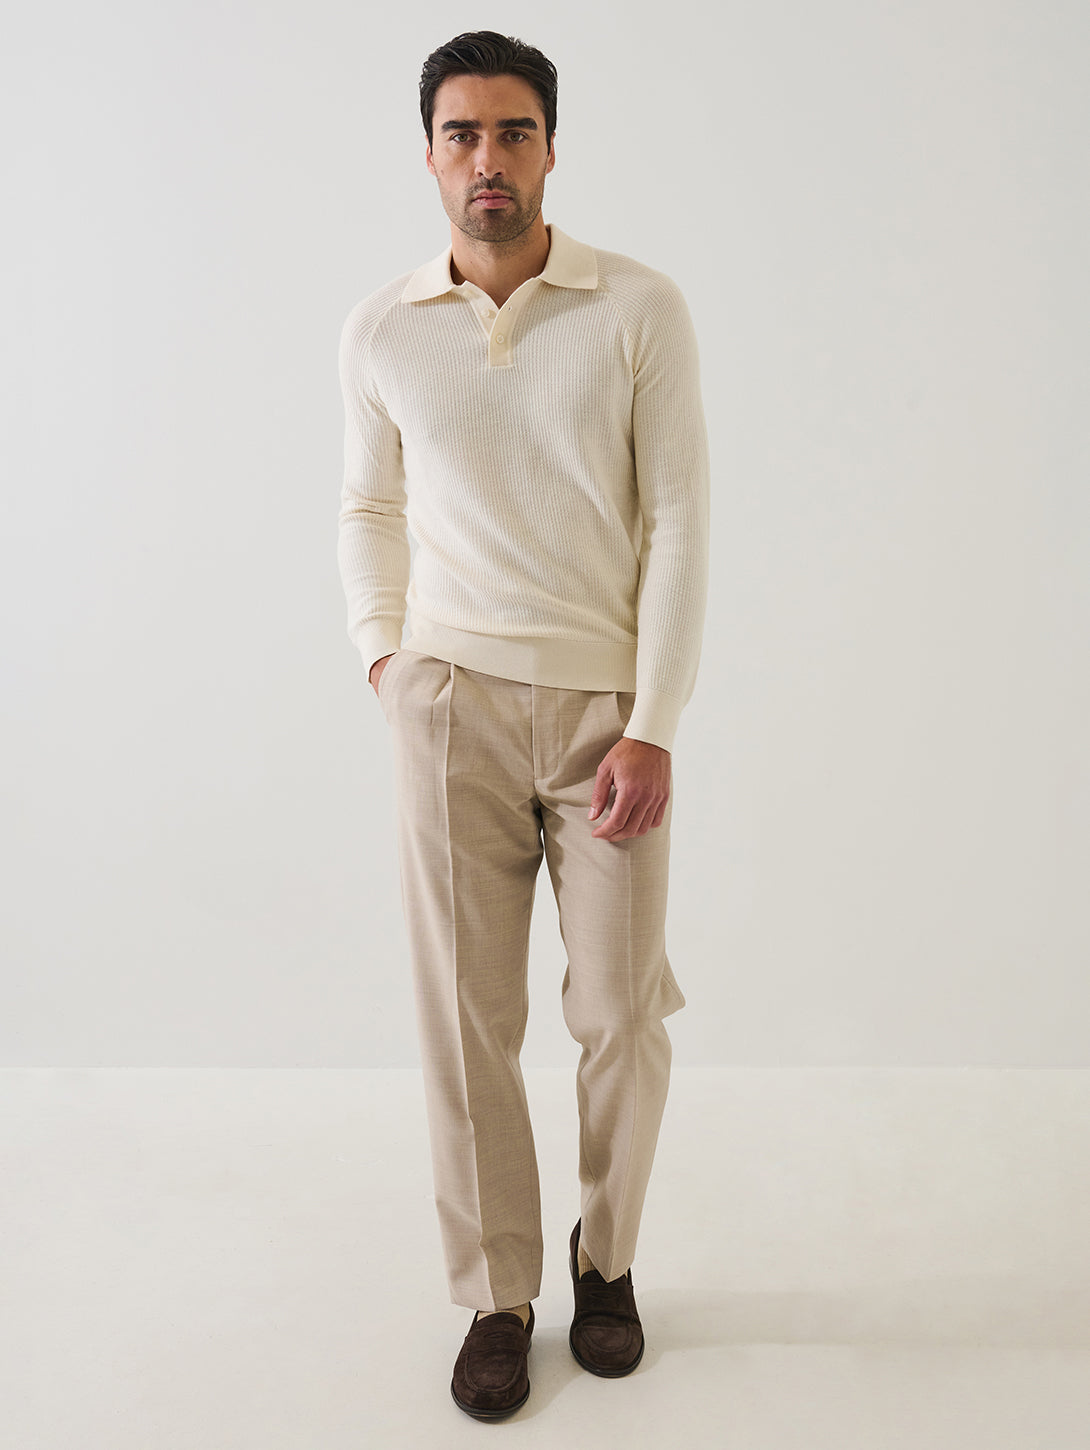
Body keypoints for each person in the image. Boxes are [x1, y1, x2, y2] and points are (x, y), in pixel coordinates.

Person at [337, 30, 709, 1421]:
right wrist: (386, 657)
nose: (486, 159)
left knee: (619, 1011)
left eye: (512, 131)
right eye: (461, 134)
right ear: (430, 154)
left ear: (551, 147)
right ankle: (499, 1292)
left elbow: (679, 518)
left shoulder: (637, 308)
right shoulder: (382, 329)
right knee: (465, 1018)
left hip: (607, 718)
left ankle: (605, 1261)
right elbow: (367, 503)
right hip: (449, 706)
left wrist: (654, 718)